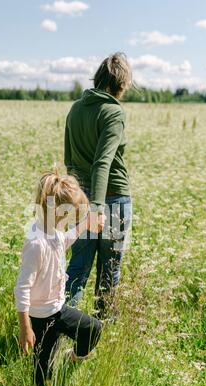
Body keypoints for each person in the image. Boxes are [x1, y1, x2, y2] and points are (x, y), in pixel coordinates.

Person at [14, 170, 103, 386]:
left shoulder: (53, 231)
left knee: (92, 328)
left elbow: (65, 241)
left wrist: (85, 224)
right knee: (44, 362)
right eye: (70, 216)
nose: (71, 221)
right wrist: (25, 328)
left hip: (58, 307)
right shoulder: (36, 243)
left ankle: (75, 356)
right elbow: (22, 288)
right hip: (41, 317)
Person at [64, 52, 133, 318]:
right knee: (110, 270)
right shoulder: (113, 112)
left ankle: (58, 329)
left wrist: (79, 201)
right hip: (112, 202)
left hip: (80, 199)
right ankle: (101, 331)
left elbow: (70, 160)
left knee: (77, 268)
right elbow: (102, 163)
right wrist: (97, 208)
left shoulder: (76, 108)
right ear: (122, 83)